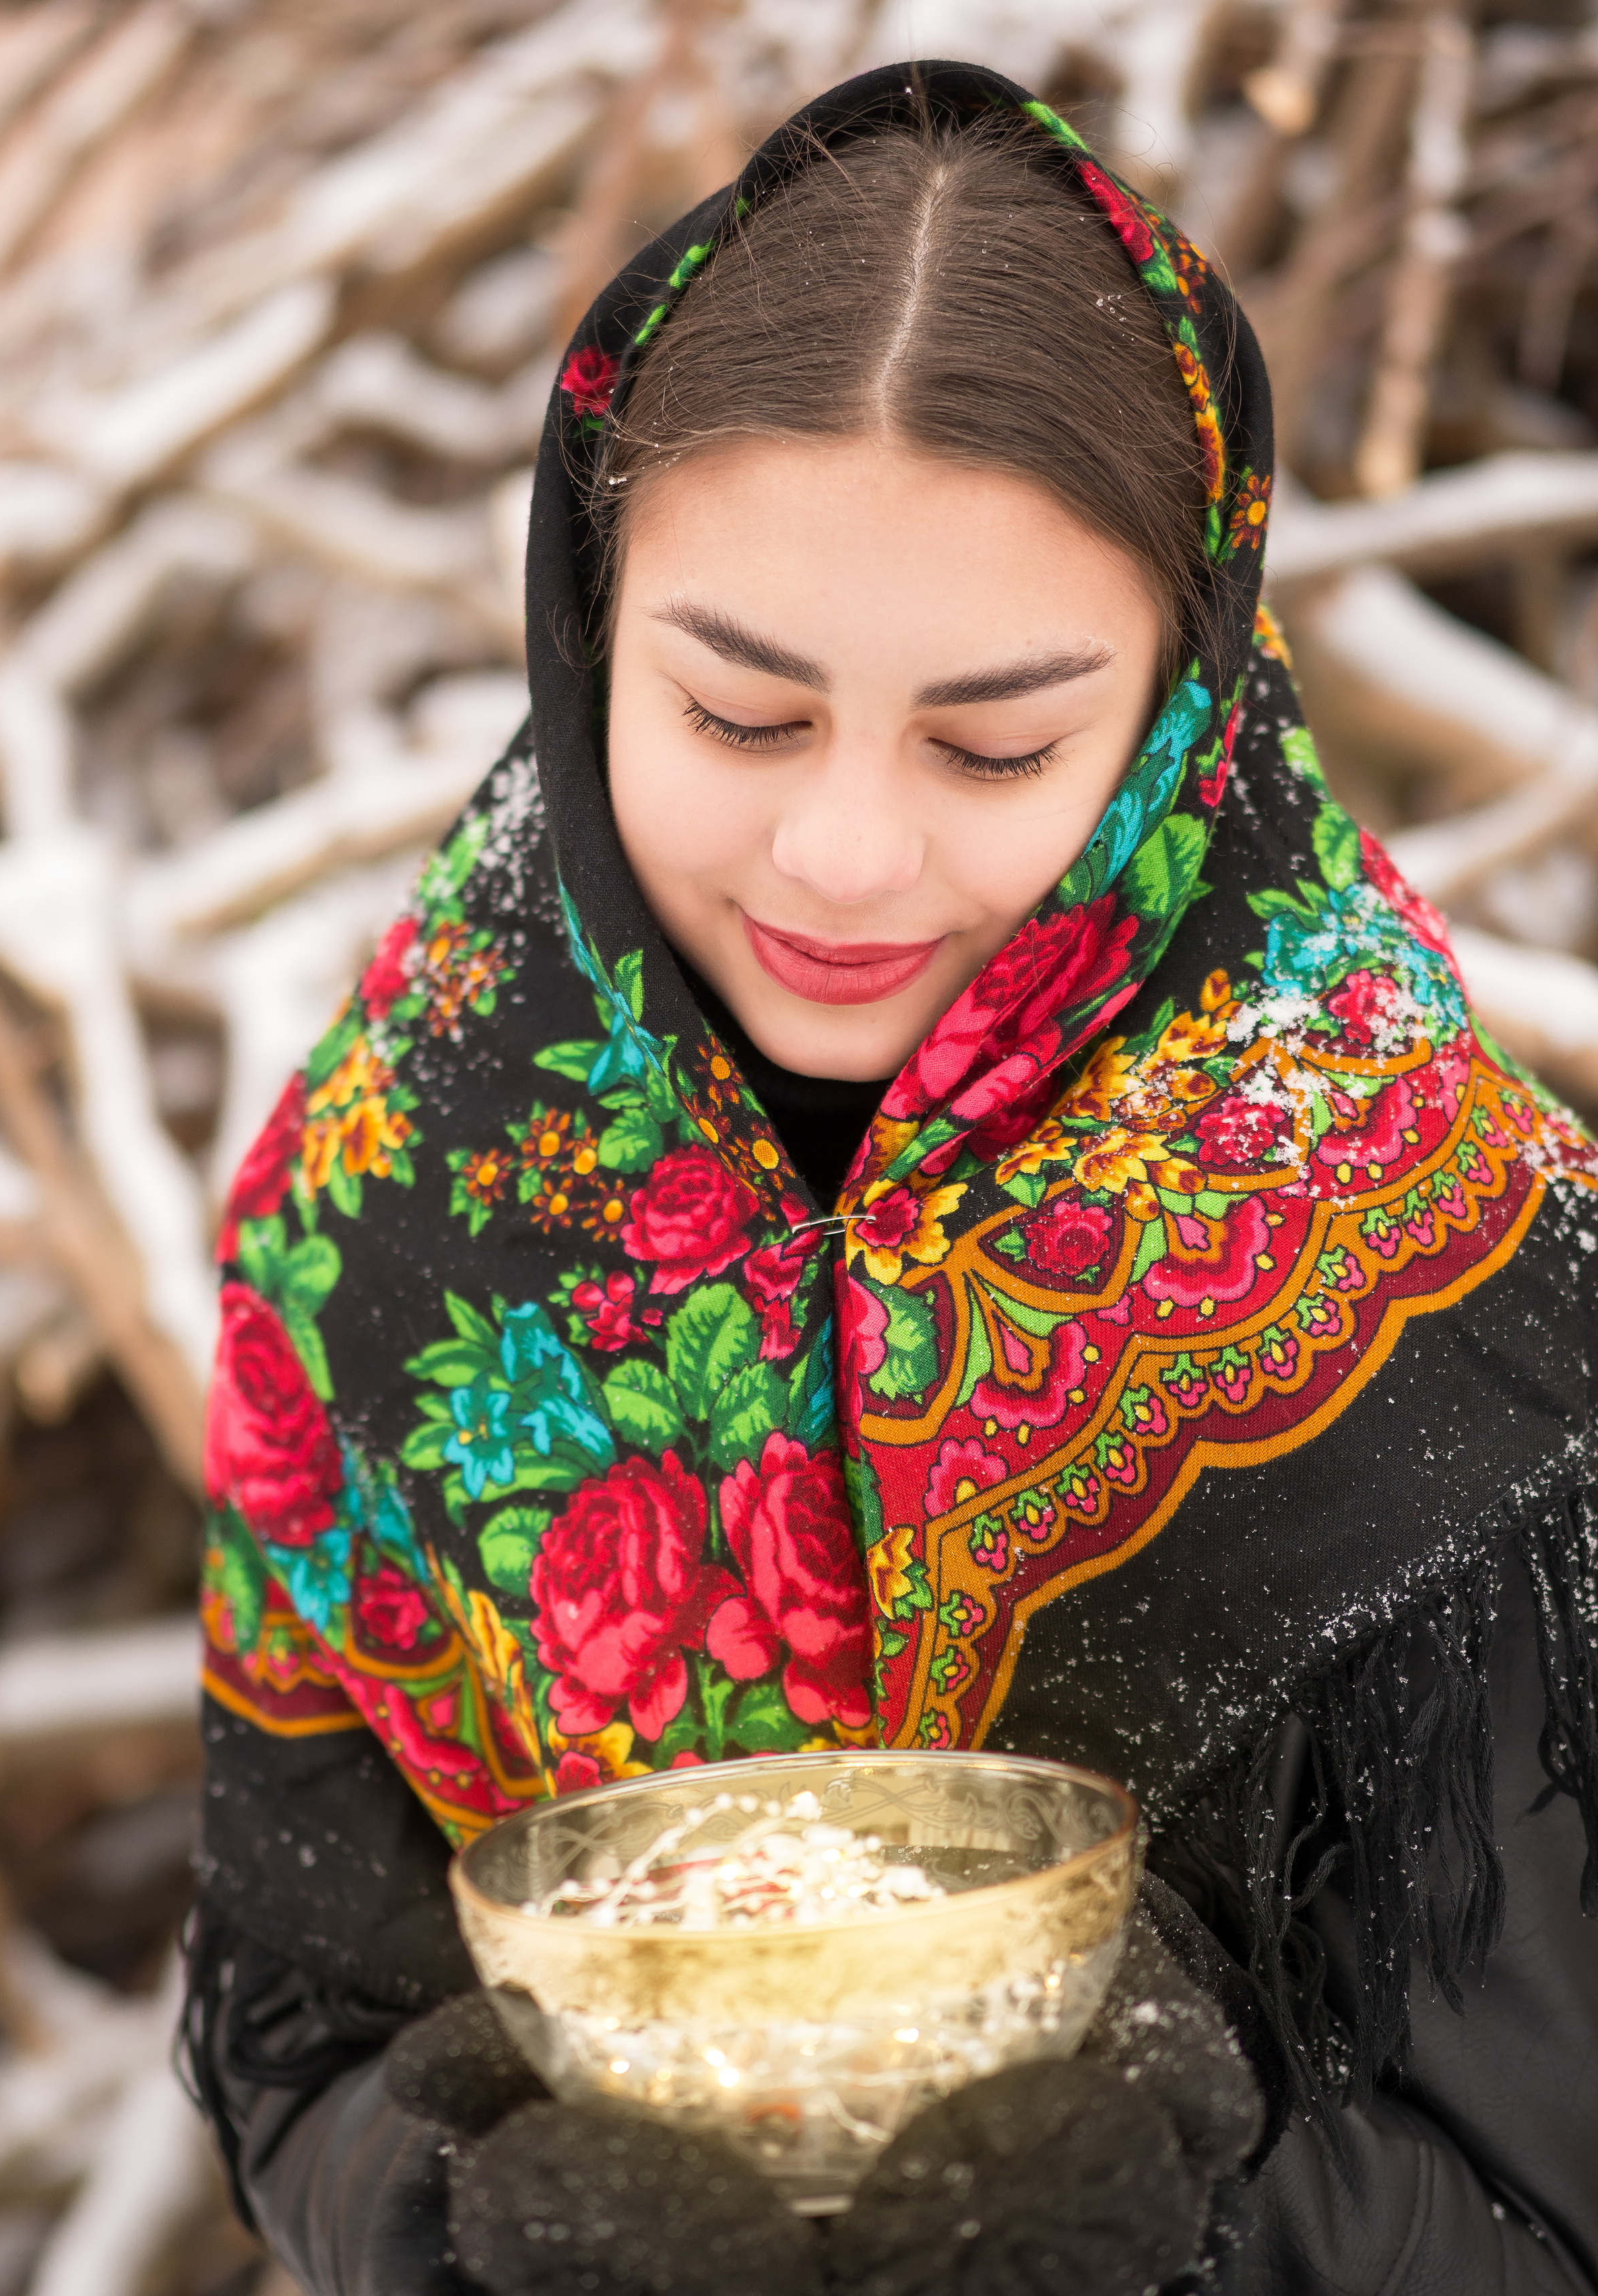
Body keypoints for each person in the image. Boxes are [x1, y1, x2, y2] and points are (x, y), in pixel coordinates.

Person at [179, 59, 1598, 2296]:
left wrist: (1186, 2233)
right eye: (738, 715)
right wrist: (461, 2217)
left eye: (995, 742)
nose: (844, 852)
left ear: (1183, 714)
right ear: (588, 630)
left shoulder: (1441, 1267)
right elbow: (301, 2035)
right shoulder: (386, 1197)